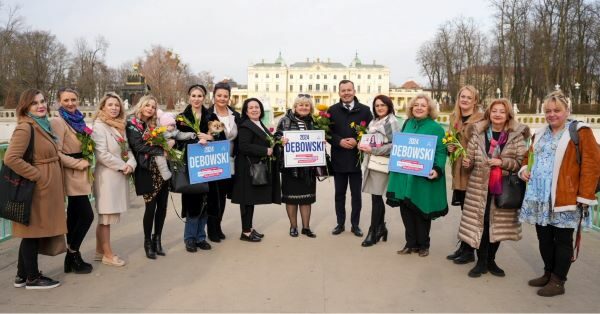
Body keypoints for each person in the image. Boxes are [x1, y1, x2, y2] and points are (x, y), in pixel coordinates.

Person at [519, 91, 600, 297]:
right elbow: (528, 157)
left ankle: (558, 280)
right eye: (548, 111)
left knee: (563, 240)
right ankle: (548, 272)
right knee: (544, 238)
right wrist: (524, 170)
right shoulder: (541, 133)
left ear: (567, 111)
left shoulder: (580, 132)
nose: (552, 114)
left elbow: (592, 165)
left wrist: (584, 196)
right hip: (539, 197)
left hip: (566, 197)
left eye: (557, 110)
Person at [459, 99, 530, 277]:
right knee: (481, 224)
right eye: (494, 111)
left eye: (502, 111)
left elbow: (522, 163)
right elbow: (470, 160)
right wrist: (467, 163)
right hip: (479, 187)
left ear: (508, 115)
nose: (497, 114)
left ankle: (491, 261)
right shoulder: (479, 133)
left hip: (503, 189)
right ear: (489, 114)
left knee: (496, 226)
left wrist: (502, 162)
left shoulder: (516, 136)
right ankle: (481, 262)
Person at [4, 89, 66, 289]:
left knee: (33, 231)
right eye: (34, 103)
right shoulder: (26, 128)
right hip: (38, 188)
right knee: (33, 233)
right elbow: (11, 158)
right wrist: (38, 176)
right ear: (26, 107)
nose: (41, 106)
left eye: (42, 101)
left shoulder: (42, 125)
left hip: (44, 188)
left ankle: (22, 275)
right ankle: (32, 278)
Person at [387, 94, 447, 257]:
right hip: (405, 175)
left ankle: (423, 245)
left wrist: (437, 169)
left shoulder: (436, 128)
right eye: (416, 105)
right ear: (411, 108)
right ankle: (410, 243)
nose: (419, 108)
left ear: (429, 109)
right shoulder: (407, 123)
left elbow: (441, 152)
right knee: (406, 209)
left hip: (422, 176)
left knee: (421, 210)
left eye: (423, 105)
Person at [51, 87, 94, 274]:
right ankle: (73, 252)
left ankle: (71, 259)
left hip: (81, 171)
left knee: (75, 216)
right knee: (87, 215)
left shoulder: (78, 119)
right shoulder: (58, 122)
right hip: (72, 172)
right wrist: (78, 163)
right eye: (66, 100)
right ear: (59, 101)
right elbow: (56, 153)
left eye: (73, 99)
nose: (70, 103)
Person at [91, 92, 136, 266]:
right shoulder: (98, 126)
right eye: (110, 105)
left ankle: (98, 251)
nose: (114, 108)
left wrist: (131, 164)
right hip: (107, 177)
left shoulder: (120, 126)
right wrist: (122, 166)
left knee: (106, 216)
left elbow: (128, 150)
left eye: (117, 105)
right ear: (103, 107)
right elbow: (101, 154)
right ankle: (108, 255)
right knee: (106, 218)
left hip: (118, 175)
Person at [231, 98, 281, 242]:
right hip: (246, 168)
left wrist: (278, 142)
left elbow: (269, 141)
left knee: (250, 200)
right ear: (246, 111)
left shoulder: (258, 124)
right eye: (251, 107)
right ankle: (245, 232)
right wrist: (265, 150)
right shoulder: (246, 126)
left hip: (252, 166)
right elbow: (244, 146)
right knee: (246, 200)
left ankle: (249, 228)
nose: (254, 109)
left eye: (257, 107)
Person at [327, 80, 373, 236]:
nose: (346, 93)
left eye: (349, 90)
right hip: (338, 159)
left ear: (354, 91)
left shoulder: (365, 111)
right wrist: (338, 140)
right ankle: (340, 224)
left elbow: (371, 132)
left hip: (356, 160)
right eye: (343, 90)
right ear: (339, 92)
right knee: (339, 194)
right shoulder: (332, 110)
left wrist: (358, 140)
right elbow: (327, 132)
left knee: (356, 196)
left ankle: (355, 224)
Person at [126, 95, 169, 259]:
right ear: (141, 106)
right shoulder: (131, 124)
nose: (150, 108)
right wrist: (160, 150)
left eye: (153, 106)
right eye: (148, 105)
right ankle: (147, 242)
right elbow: (137, 146)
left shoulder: (153, 124)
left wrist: (167, 145)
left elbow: (163, 140)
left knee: (163, 206)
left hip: (161, 169)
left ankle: (157, 238)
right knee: (150, 207)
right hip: (146, 170)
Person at [446, 85, 485, 264]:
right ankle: (464, 246)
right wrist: (449, 147)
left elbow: (485, 145)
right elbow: (450, 140)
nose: (465, 100)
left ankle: (470, 250)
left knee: (472, 213)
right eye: (463, 96)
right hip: (459, 170)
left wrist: (473, 159)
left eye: (469, 98)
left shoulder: (481, 119)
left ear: (475, 101)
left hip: (473, 171)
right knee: (464, 210)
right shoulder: (454, 117)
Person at [358, 95, 400, 247]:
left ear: (389, 106)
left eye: (383, 105)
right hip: (373, 163)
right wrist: (362, 145)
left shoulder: (392, 121)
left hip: (382, 164)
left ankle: (373, 231)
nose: (380, 108)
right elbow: (373, 140)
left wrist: (374, 150)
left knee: (376, 197)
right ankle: (380, 228)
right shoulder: (375, 121)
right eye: (377, 106)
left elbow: (396, 145)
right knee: (375, 198)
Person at [274, 94, 318, 238]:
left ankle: (306, 227)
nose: (304, 107)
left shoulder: (313, 121)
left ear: (310, 108)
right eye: (301, 105)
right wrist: (281, 140)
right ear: (295, 107)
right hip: (290, 167)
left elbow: (317, 139)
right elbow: (275, 137)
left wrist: (320, 142)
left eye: (307, 105)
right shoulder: (285, 120)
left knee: (306, 199)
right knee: (291, 199)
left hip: (308, 168)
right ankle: (293, 226)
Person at [175, 84, 212, 252]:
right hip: (190, 164)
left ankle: (201, 237)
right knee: (192, 200)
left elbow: (220, 136)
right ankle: (190, 237)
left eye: (200, 96)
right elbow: (177, 141)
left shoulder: (210, 116)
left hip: (209, 163)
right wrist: (195, 141)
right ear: (189, 97)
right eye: (194, 95)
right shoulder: (182, 118)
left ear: (204, 98)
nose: (197, 99)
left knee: (206, 201)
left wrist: (209, 137)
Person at [206, 82, 241, 243]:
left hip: (231, 160)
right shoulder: (207, 115)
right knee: (213, 195)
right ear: (214, 96)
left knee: (223, 194)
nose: (222, 98)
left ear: (229, 97)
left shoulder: (235, 115)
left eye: (225, 96)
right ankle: (211, 228)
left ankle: (218, 225)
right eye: (219, 95)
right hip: (212, 160)